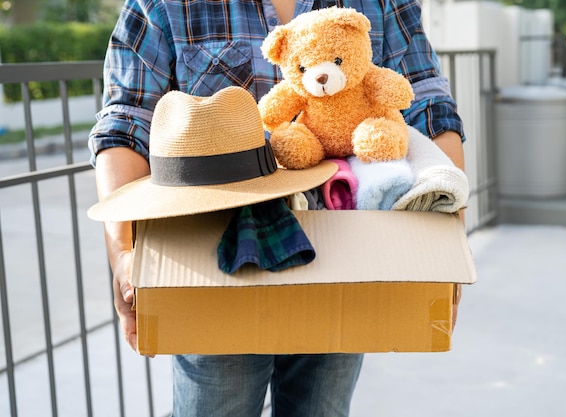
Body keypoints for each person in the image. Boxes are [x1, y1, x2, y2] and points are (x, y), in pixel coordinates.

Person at [88, 0, 466, 416]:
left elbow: (430, 111)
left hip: (343, 252)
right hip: (210, 259)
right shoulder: (163, 4)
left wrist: (445, 248)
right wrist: (123, 252)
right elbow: (125, 124)